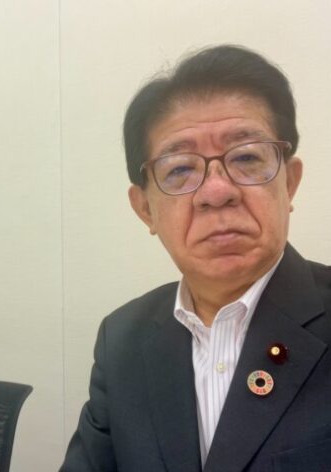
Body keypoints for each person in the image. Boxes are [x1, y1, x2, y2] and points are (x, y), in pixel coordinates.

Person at [61, 45, 331, 471]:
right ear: (145, 209)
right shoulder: (123, 340)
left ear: (290, 183)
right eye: (180, 169)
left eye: (246, 157)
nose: (216, 191)